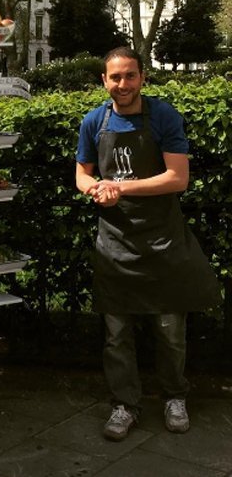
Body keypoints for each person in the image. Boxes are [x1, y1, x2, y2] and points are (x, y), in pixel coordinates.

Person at [75, 46, 221, 441]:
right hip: (115, 243)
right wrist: (95, 189)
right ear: (104, 81)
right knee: (116, 334)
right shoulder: (94, 121)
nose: (123, 84)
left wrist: (119, 187)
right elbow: (82, 174)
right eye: (115, 77)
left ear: (142, 77)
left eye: (130, 76)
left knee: (170, 331)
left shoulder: (163, 116)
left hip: (162, 241)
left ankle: (175, 396)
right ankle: (124, 405)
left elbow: (178, 178)